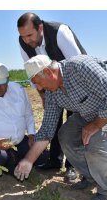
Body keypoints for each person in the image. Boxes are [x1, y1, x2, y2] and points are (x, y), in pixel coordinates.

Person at [14, 54, 107, 200]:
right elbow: (47, 129)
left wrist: (95, 125)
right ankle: (91, 178)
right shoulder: (51, 92)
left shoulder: (80, 67)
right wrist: (28, 161)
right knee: (66, 136)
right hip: (91, 111)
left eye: (39, 83)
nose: (39, 89)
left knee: (95, 143)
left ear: (49, 72)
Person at [17, 12, 87, 181]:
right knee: (52, 122)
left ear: (40, 27)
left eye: (29, 35)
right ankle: (54, 160)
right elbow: (32, 72)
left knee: (73, 124)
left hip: (74, 83)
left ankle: (72, 166)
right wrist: (43, 95)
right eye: (23, 36)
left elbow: (78, 64)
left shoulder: (60, 32)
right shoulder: (23, 42)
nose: (27, 40)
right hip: (47, 83)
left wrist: (71, 96)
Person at [0, 62, 48, 185]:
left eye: (2, 84)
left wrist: (32, 134)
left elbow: (28, 114)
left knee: (42, 155)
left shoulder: (18, 89)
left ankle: (13, 158)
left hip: (19, 140)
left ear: (8, 80)